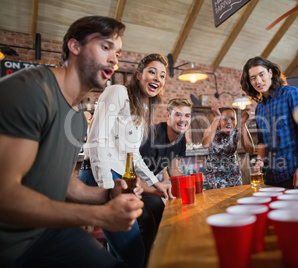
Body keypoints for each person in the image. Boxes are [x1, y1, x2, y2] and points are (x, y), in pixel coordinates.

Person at [0, 16, 144, 268]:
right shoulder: (30, 92)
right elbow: (5, 195)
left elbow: (66, 186)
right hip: (10, 246)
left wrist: (109, 193)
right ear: (74, 46)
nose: (114, 59)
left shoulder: (76, 118)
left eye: (118, 53)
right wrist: (98, 214)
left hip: (47, 231)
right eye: (105, 47)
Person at [80, 53, 174, 267]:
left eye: (162, 75)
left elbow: (134, 156)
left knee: (121, 253)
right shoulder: (118, 92)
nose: (157, 78)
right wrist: (107, 192)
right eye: (152, 71)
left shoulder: (140, 108)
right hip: (101, 177)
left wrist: (156, 183)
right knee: (134, 254)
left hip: (119, 181)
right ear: (139, 74)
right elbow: (96, 140)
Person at [240, 56, 298, 189]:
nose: (258, 81)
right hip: (271, 177)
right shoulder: (259, 108)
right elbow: (262, 141)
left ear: (270, 73)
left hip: (296, 174)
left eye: (261, 75)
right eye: (253, 78)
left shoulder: (292, 94)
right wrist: (259, 160)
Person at [139, 97, 192, 258]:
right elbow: (134, 176)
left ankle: (164, 254)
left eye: (187, 115)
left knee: (164, 213)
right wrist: (162, 192)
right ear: (168, 116)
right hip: (129, 184)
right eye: (178, 115)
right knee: (148, 221)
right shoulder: (152, 136)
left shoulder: (180, 138)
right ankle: (146, 259)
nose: (183, 120)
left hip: (148, 183)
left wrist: (186, 189)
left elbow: (174, 169)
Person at [202, 103, 242, 189]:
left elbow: (250, 150)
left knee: (236, 199)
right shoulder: (212, 130)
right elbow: (205, 144)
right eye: (225, 119)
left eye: (232, 119)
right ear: (219, 122)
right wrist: (216, 117)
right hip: (215, 175)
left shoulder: (236, 132)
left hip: (233, 174)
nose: (229, 122)